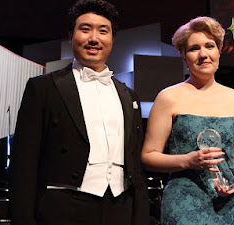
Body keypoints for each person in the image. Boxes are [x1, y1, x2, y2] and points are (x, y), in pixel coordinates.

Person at [8, 0, 149, 224]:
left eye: (103, 31)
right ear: (71, 35)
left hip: (120, 208)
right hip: (62, 208)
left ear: (112, 39)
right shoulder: (43, 87)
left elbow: (135, 167)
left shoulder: (129, 96)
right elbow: (23, 163)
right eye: (85, 29)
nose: (94, 38)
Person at [141, 16, 234, 224]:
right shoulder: (168, 97)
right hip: (184, 204)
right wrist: (188, 160)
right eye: (194, 48)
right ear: (184, 57)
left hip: (231, 204)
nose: (203, 54)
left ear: (219, 50)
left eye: (210, 46)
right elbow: (148, 156)